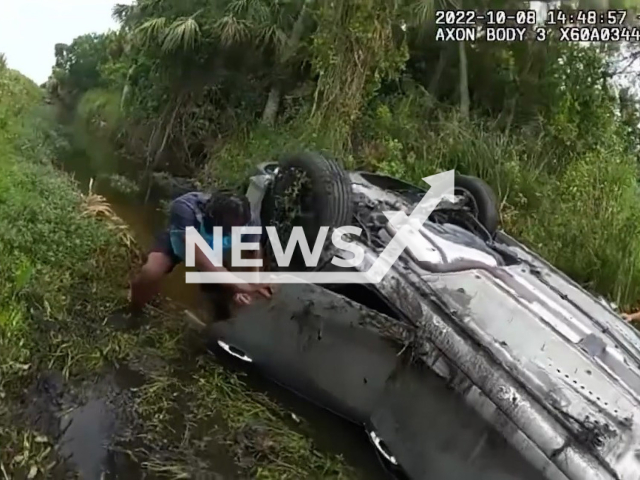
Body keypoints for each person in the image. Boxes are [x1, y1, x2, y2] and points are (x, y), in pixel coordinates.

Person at [129, 189, 272, 319]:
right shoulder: (185, 207)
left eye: (237, 229)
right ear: (211, 216)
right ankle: (134, 312)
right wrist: (238, 284)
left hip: (214, 249)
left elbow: (252, 250)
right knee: (150, 273)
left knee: (225, 297)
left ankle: (217, 327)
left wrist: (252, 283)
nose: (232, 233)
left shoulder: (251, 221)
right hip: (179, 243)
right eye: (228, 229)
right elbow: (196, 253)